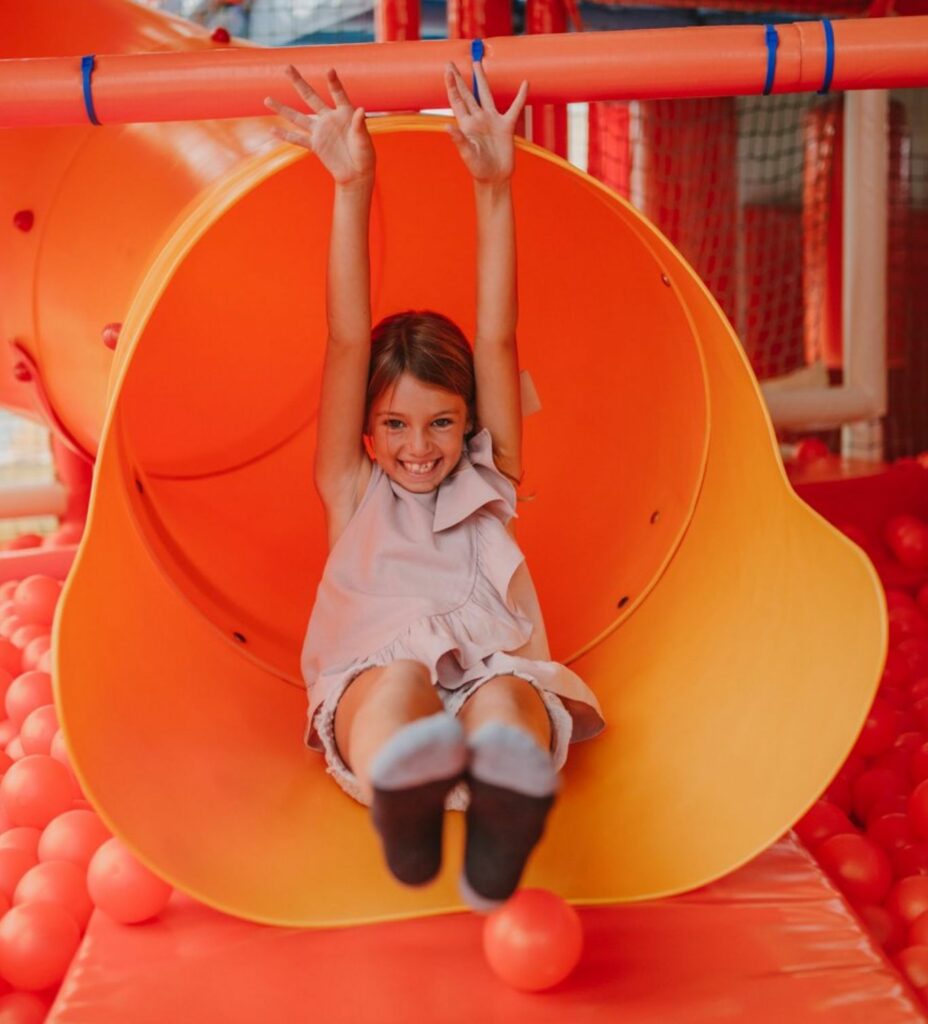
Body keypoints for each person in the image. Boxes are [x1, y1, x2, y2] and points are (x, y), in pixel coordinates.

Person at [264, 63, 604, 910]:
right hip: (378, 687)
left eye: (443, 423)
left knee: (509, 692)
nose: (420, 448)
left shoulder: (493, 478)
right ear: (368, 432)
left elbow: (498, 334)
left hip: (485, 670)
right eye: (397, 426)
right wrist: (354, 182)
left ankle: (504, 806)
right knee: (405, 689)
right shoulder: (350, 486)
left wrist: (496, 187)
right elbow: (349, 338)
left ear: (470, 421)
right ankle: (405, 792)